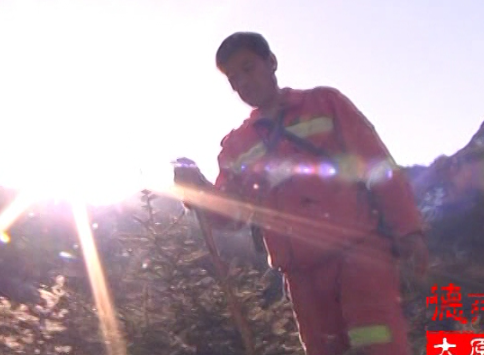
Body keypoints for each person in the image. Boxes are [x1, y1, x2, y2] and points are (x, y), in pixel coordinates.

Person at [173, 32, 429, 355]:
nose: (242, 83)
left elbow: (378, 166)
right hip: (302, 278)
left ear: (272, 62)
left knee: (377, 346)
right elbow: (232, 215)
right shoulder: (237, 146)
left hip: (361, 258)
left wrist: (409, 230)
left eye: (248, 68)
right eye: (233, 79)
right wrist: (197, 192)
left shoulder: (325, 104)